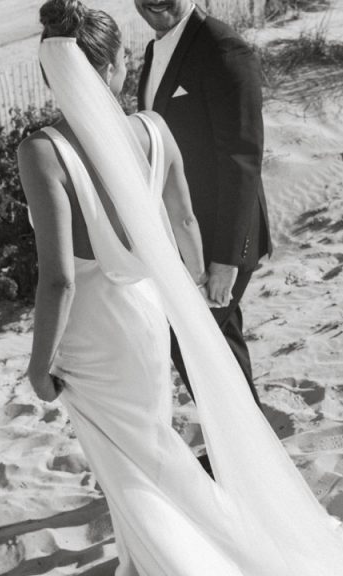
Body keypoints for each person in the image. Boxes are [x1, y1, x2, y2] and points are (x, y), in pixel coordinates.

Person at [21, 1, 343, 574]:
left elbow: (59, 279)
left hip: (92, 332)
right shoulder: (154, 130)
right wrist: (192, 287)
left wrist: (39, 365)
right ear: (117, 66)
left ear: (52, 72)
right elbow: (185, 221)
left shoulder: (41, 152)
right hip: (145, 313)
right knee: (153, 444)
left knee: (128, 459)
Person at [135, 0, 271, 408]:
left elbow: (243, 158)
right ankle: (252, 444)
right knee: (222, 348)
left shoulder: (224, 48)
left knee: (189, 345)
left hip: (222, 243)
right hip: (186, 239)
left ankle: (245, 443)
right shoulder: (155, 49)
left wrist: (226, 260)